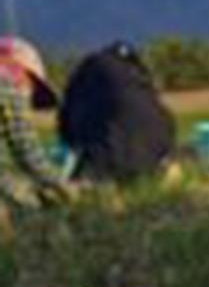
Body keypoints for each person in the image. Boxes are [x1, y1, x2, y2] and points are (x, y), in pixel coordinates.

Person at [59, 42, 177, 184]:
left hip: (109, 164)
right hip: (156, 158)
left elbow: (67, 126)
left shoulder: (89, 72)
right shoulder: (139, 77)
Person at [0, 38, 72, 213]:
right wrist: (63, 187)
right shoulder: (7, 88)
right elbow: (27, 152)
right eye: (33, 88)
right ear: (24, 74)